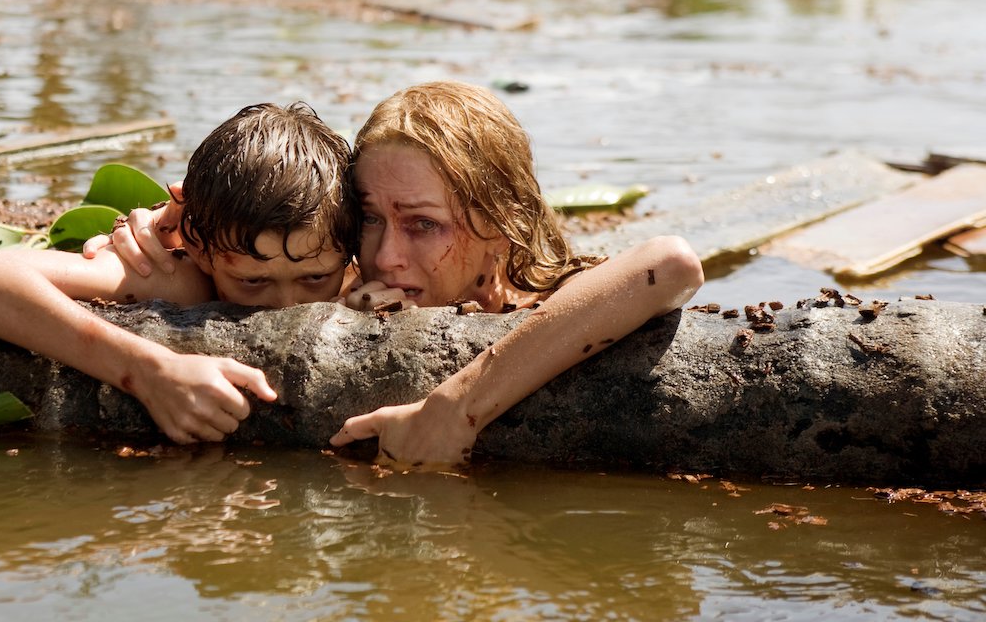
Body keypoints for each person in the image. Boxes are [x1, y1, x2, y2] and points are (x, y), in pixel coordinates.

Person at [94, 81, 704, 468]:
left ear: (501, 221)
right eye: (368, 218)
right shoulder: (329, 278)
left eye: (424, 225)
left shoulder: (543, 298)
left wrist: (455, 409)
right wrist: (172, 228)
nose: (385, 256)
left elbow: (671, 263)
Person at [0, 102, 357, 445]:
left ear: (349, 252)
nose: (286, 305)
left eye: (314, 279)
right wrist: (147, 372)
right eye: (252, 281)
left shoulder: (361, 275)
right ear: (200, 249)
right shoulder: (177, 278)